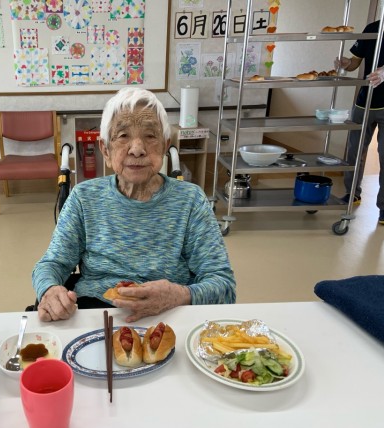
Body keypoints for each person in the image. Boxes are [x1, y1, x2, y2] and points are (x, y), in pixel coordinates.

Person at [32, 87, 236, 323]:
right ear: (105, 150)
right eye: (123, 136)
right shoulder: (84, 198)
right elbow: (51, 264)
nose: (137, 149)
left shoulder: (191, 201)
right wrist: (49, 290)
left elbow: (224, 286)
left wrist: (179, 295)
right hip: (96, 313)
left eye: (150, 136)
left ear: (165, 146)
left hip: (170, 315)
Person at [335, 5, 384, 225]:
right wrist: (346, 64)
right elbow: (355, 62)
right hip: (365, 101)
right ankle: (352, 193)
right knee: (355, 151)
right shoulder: (372, 29)